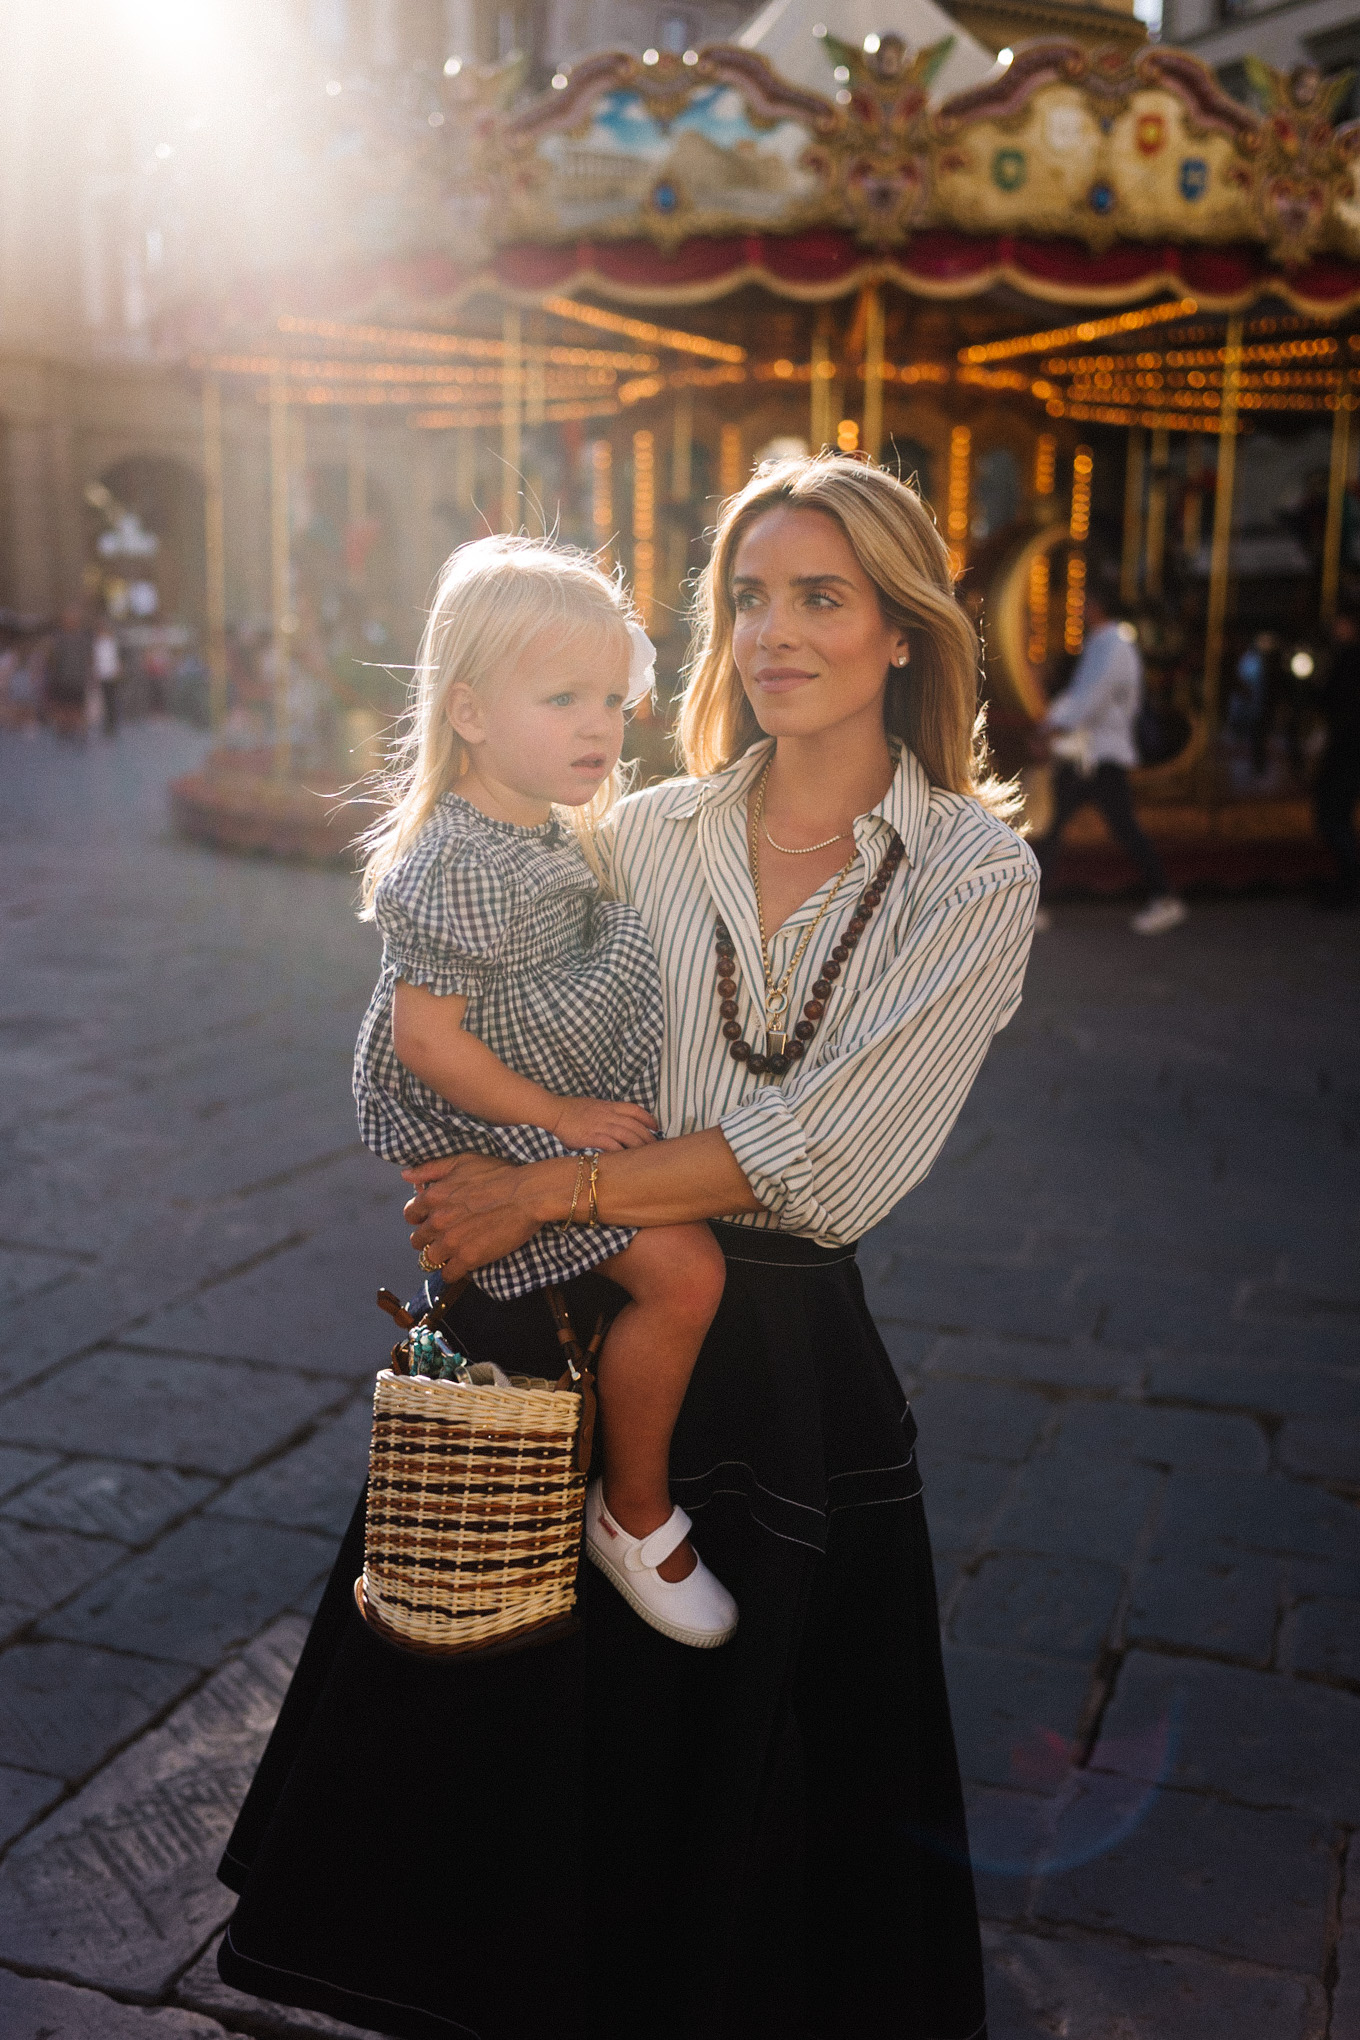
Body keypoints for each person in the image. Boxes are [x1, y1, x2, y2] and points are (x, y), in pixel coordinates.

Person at [216, 453, 1039, 2040]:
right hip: (559, 1326)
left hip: (776, 1353)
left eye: (823, 597)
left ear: (904, 633)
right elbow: (453, 994)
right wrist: (476, 1156)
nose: (776, 632)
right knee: (509, 1774)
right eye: (748, 598)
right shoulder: (633, 831)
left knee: (743, 1801)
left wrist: (540, 1193)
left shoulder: (970, 875)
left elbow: (835, 1158)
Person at [353, 536, 733, 1644]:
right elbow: (427, 1041)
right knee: (687, 1276)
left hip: (521, 1108)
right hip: (490, 1121)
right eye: (562, 697)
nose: (599, 726)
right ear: (468, 712)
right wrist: (562, 1119)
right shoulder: (460, 861)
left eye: (613, 698)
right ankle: (635, 1509)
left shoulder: (535, 830)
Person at [1030, 564, 1188, 935]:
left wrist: (1051, 726)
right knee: (1067, 827)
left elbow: (1090, 697)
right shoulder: (1107, 643)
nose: (1081, 609)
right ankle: (1163, 897)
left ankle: (1164, 897)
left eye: (1084, 602)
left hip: (1098, 755)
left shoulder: (1112, 644)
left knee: (1064, 827)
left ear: (1098, 605)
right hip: (1095, 754)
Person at [1314, 606, 1360, 908]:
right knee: (1335, 816)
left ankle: (1351, 883)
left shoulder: (1349, 659)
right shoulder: (1343, 657)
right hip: (1346, 747)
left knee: (1333, 816)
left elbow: (1335, 700)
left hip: (1348, 748)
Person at [43, 605, 94, 740]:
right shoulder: (58, 638)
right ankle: (64, 732)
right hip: (62, 679)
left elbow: (89, 659)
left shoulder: (84, 638)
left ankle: (80, 733)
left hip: (78, 679)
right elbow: (52, 659)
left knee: (78, 708)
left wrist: (90, 676)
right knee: (63, 707)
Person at [93, 622, 122, 734]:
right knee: (104, 701)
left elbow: (116, 659)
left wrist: (117, 670)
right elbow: (95, 660)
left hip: (111, 675)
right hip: (102, 675)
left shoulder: (112, 643)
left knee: (112, 700)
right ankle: (106, 724)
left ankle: (112, 724)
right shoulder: (97, 644)